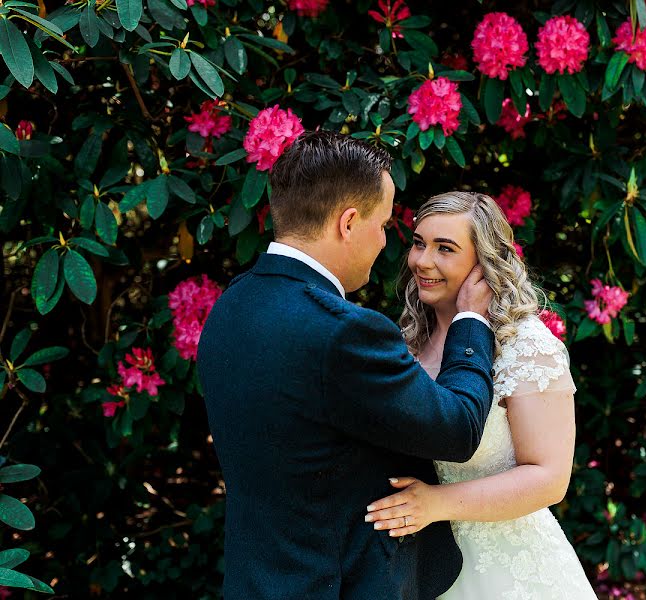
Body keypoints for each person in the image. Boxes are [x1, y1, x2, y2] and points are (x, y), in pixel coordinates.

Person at [197, 132, 498, 600]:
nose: (385, 243)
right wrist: (472, 324)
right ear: (349, 222)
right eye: (382, 225)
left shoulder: (232, 304)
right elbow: (456, 428)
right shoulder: (341, 332)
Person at [365, 191, 597, 599]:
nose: (422, 261)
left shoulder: (526, 348)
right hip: (419, 566)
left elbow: (549, 479)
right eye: (419, 243)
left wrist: (436, 504)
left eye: (445, 249)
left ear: (483, 264)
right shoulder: (405, 343)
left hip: (510, 570)